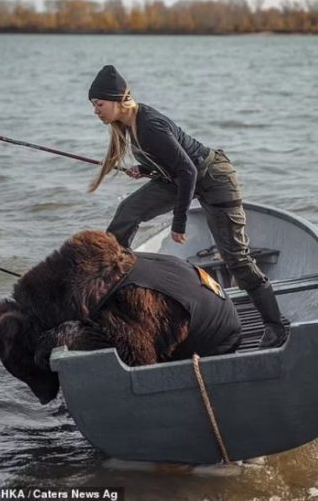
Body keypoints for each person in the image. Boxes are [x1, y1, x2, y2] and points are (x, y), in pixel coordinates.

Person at [87, 65, 286, 349]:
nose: (96, 110)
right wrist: (144, 168)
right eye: (93, 105)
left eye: (99, 103)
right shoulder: (129, 125)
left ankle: (275, 326)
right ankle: (111, 276)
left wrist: (178, 223)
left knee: (236, 259)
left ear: (118, 100)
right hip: (180, 178)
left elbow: (188, 171)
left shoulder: (149, 125)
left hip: (213, 177)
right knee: (128, 212)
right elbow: (172, 162)